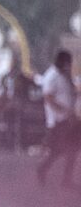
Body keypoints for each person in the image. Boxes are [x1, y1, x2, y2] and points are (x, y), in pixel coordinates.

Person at [37, 50, 79, 188]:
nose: (69, 66)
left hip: (70, 118)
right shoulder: (51, 76)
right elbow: (48, 98)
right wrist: (63, 111)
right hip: (58, 120)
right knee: (59, 149)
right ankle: (43, 168)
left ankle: (67, 179)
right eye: (68, 63)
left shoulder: (64, 76)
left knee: (72, 148)